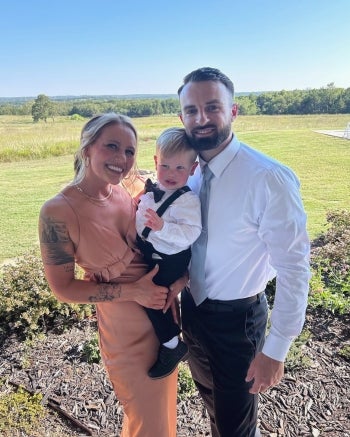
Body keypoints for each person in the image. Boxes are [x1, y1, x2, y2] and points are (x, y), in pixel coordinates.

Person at [168, 67, 311, 437]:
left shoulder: (268, 178)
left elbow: (295, 268)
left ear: (233, 112)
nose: (201, 118)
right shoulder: (191, 174)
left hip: (236, 324)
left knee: (237, 427)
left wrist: (277, 348)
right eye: (191, 110)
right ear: (181, 116)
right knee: (216, 410)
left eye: (212, 107)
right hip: (194, 313)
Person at [38, 113, 184, 437]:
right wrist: (134, 292)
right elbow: (63, 288)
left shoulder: (129, 187)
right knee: (147, 419)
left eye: (130, 151)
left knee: (161, 411)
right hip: (126, 332)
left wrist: (181, 280)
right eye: (112, 147)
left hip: (164, 314)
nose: (122, 159)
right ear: (88, 147)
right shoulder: (57, 211)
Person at [135, 127, 202, 379]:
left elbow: (190, 234)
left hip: (171, 258)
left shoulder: (187, 201)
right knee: (154, 299)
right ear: (155, 162)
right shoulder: (154, 191)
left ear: (192, 169)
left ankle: (172, 346)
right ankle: (171, 340)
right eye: (165, 166)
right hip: (154, 253)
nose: (171, 174)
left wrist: (162, 228)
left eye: (179, 169)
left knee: (155, 300)